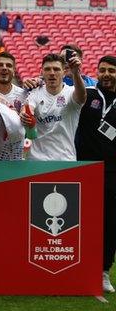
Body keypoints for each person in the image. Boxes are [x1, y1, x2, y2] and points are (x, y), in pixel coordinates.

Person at [75, 55, 116, 293]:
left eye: (111, 70)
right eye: (103, 70)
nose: (107, 74)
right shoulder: (87, 94)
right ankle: (79, 267)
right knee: (80, 221)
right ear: (97, 72)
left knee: (110, 223)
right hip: (84, 167)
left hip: (112, 172)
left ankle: (103, 272)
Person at [20, 53, 86, 160]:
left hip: (65, 160)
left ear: (64, 72)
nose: (52, 73)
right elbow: (27, 109)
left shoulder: (71, 92)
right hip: (37, 161)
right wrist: (25, 115)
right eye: (47, 69)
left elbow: (82, 96)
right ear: (42, 72)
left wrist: (76, 73)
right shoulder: (35, 93)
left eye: (56, 69)